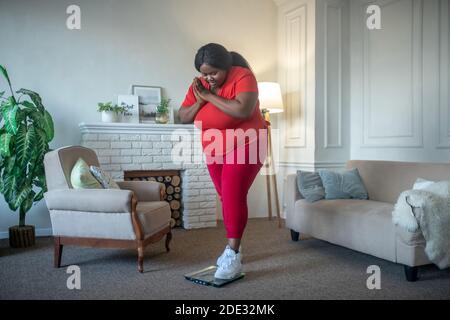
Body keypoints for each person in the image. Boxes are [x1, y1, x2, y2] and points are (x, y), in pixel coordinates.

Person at [178, 43, 269, 279]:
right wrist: (199, 100)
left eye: (213, 73)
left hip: (247, 143)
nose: (209, 78)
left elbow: (242, 110)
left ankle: (233, 254)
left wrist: (209, 95)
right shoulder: (199, 85)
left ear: (226, 66)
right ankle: (235, 245)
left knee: (232, 194)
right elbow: (183, 116)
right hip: (215, 146)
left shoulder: (243, 76)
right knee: (225, 194)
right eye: (204, 73)